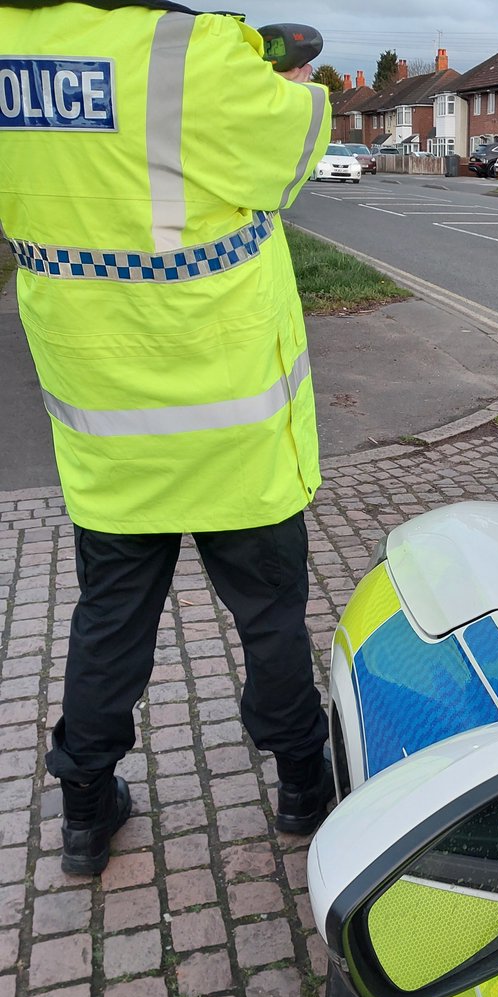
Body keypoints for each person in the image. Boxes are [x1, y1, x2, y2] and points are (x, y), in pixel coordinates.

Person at [0, 0, 334, 874]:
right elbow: (290, 159)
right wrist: (295, 84)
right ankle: (303, 783)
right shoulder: (195, 47)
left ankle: (84, 806)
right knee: (269, 617)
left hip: (105, 417)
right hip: (233, 419)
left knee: (109, 620)